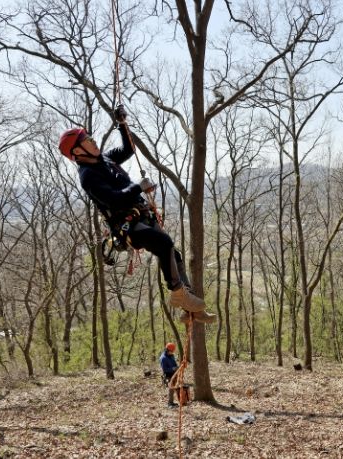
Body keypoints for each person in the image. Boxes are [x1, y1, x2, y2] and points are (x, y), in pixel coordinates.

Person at [58, 106, 215, 323]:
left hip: (142, 214)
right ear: (77, 152)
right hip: (127, 226)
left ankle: (190, 310)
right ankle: (178, 293)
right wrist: (138, 187)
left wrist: (122, 124)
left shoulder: (105, 159)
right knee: (164, 243)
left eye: (90, 137)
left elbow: (128, 149)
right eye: (87, 140)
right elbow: (113, 199)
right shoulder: (88, 176)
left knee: (173, 254)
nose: (93, 141)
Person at [160, 343, 179, 408]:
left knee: (173, 389)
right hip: (168, 375)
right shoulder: (163, 358)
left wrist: (177, 368)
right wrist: (173, 368)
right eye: (172, 351)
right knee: (171, 389)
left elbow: (174, 363)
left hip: (174, 374)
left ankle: (172, 402)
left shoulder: (171, 355)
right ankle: (170, 403)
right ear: (168, 350)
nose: (173, 352)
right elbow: (165, 369)